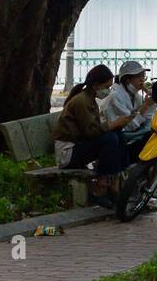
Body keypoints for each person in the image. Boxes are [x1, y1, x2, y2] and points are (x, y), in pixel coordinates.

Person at [54, 64, 133, 208]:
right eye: (106, 86)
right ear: (96, 85)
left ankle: (115, 182)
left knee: (117, 135)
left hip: (78, 146)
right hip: (68, 154)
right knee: (110, 138)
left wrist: (115, 126)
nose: (108, 90)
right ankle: (100, 188)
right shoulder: (82, 101)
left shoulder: (89, 98)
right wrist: (113, 124)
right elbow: (91, 132)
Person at [102, 60, 156, 161]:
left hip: (128, 136)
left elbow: (148, 117)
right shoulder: (116, 96)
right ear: (127, 80)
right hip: (118, 140)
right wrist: (146, 105)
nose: (142, 80)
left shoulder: (136, 96)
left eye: (143, 76)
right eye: (138, 77)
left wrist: (151, 104)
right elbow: (129, 126)